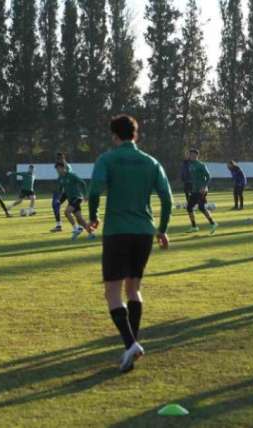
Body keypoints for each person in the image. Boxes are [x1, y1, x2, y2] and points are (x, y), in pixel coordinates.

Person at [88, 114, 172, 373]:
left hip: (117, 231)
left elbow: (94, 191)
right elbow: (167, 199)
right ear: (136, 135)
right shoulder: (151, 162)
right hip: (144, 231)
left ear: (115, 136)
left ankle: (130, 344)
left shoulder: (107, 159)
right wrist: (162, 229)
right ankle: (131, 344)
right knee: (133, 288)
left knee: (112, 291)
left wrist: (93, 216)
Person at [56, 163, 93, 240]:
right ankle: (91, 234)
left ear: (63, 168)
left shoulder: (72, 175)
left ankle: (76, 229)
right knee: (80, 219)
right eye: (57, 169)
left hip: (77, 197)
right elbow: (60, 189)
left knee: (67, 212)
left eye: (59, 168)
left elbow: (83, 183)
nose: (58, 170)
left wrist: (86, 194)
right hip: (71, 200)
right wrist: (59, 199)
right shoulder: (60, 178)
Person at [186, 149, 217, 234]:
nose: (191, 156)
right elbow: (194, 178)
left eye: (193, 155)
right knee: (189, 208)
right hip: (194, 190)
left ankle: (213, 223)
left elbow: (209, 176)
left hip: (201, 190)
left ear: (196, 156)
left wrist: (204, 186)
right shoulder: (190, 165)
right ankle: (194, 226)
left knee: (201, 207)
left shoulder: (201, 165)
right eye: (190, 154)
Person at [51, 152, 72, 232]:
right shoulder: (58, 166)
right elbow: (60, 178)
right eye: (57, 158)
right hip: (62, 190)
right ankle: (58, 225)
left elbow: (68, 174)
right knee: (55, 205)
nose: (58, 159)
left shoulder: (67, 166)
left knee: (75, 210)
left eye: (59, 158)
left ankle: (79, 226)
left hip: (69, 190)